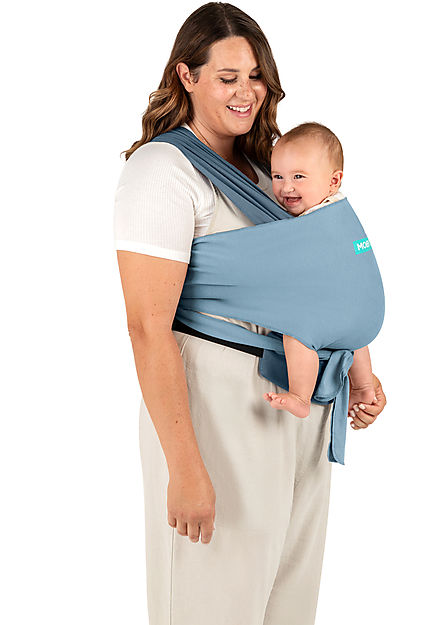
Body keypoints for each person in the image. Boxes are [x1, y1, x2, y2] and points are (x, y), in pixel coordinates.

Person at [113, 3, 387, 624]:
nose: (246, 92)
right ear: (186, 76)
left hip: (298, 408)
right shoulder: (161, 170)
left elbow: (319, 284)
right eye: (227, 77)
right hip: (217, 406)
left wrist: (359, 372)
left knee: (288, 607)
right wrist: (184, 466)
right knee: (212, 605)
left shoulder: (271, 172)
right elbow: (147, 327)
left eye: (256, 76)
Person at [262, 122, 378, 424]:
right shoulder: (339, 209)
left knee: (297, 333)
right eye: (278, 176)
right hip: (359, 311)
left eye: (299, 177)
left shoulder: (316, 220)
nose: (286, 187)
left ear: (333, 181)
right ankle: (363, 386)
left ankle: (301, 396)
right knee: (353, 339)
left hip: (333, 305)